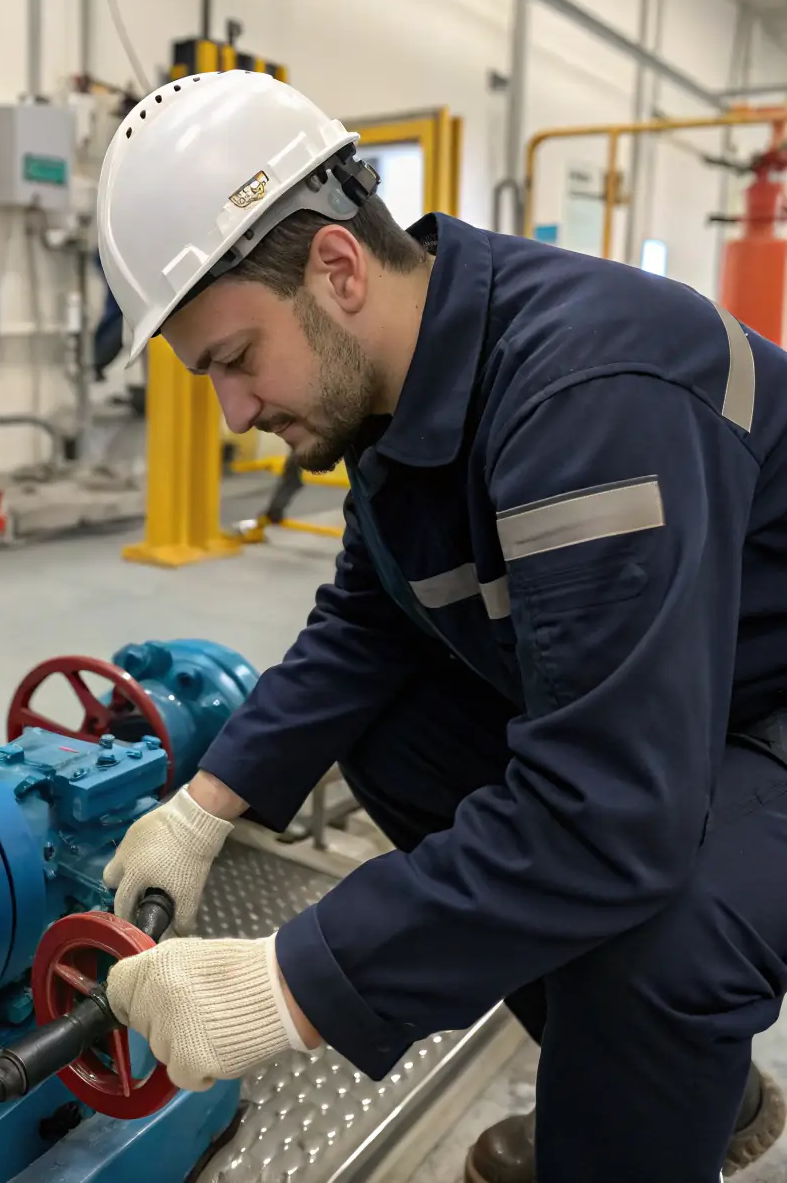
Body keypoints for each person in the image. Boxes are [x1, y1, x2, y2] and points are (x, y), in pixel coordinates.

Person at [96, 69, 787, 1183]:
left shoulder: (583, 395)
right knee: (391, 726)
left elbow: (609, 813)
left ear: (336, 266)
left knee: (663, 929)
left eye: (232, 359)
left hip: (771, 703)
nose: (231, 409)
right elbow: (370, 623)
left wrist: (287, 988)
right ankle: (654, 1092)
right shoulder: (398, 388)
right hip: (694, 679)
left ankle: (634, 1124)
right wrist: (204, 806)